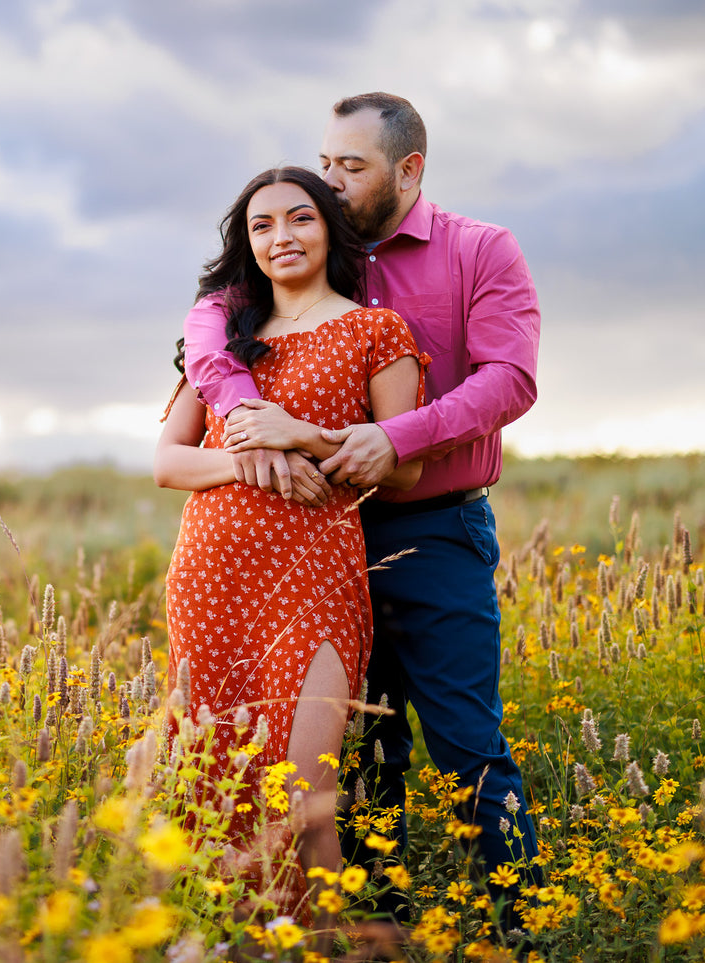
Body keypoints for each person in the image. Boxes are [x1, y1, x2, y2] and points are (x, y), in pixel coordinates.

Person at [183, 92, 545, 925]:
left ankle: (521, 923)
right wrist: (242, 413)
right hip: (306, 543)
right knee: (356, 756)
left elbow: (509, 378)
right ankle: (383, 923)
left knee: (463, 743)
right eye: (327, 163)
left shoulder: (479, 250)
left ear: (408, 169)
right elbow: (207, 327)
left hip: (427, 525)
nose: (332, 182)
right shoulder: (300, 245)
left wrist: (396, 437)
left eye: (352, 167)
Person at [155, 165, 426, 918]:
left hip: (316, 578)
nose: (282, 237)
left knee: (305, 791)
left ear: (330, 230)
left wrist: (301, 444)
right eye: (262, 225)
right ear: (245, 243)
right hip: (212, 581)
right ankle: (242, 935)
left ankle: (324, 939)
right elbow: (168, 462)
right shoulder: (223, 341)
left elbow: (400, 470)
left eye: (299, 218)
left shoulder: (379, 331)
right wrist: (253, 463)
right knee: (216, 785)